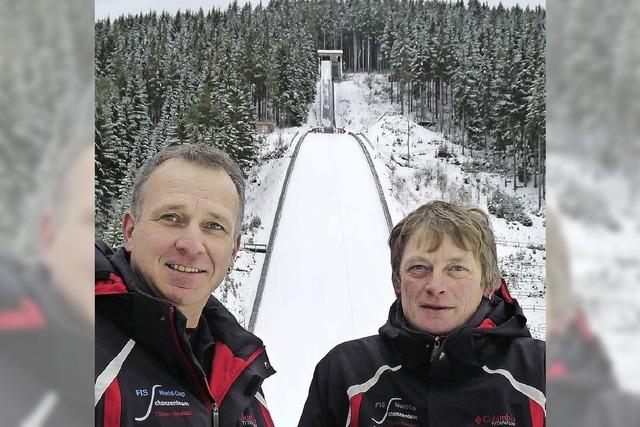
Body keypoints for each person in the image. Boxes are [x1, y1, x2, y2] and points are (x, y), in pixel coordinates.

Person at [299, 200, 545, 427]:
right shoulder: (345, 373)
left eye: (456, 268)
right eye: (419, 268)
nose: (435, 286)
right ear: (398, 281)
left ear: (488, 283)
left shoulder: (542, 372)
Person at [95, 144, 276, 426]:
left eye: (214, 226)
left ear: (233, 250)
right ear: (130, 231)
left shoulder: (239, 369)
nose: (191, 245)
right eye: (171, 218)